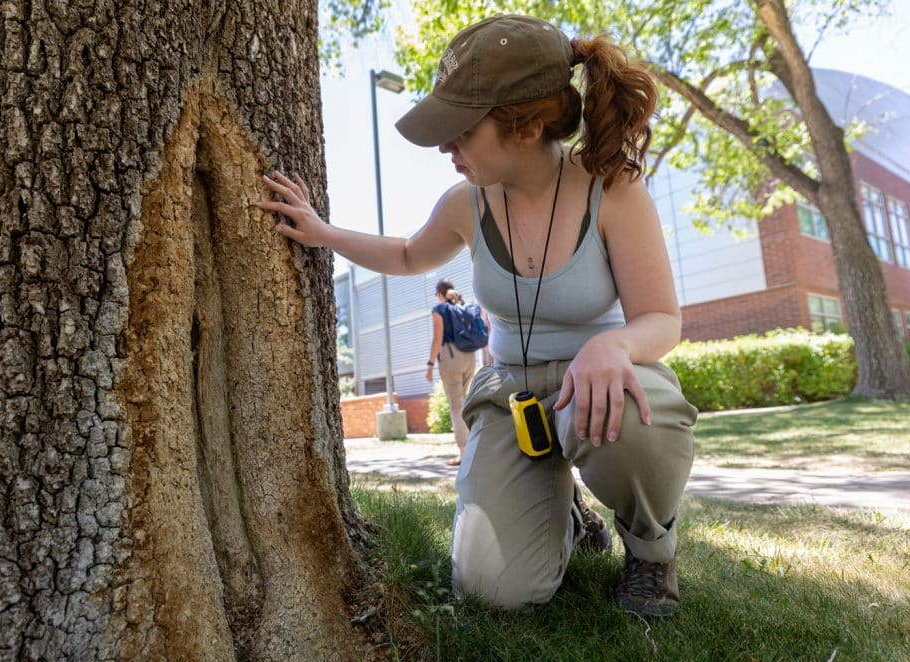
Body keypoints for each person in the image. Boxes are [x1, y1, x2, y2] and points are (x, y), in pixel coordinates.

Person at [256, 14, 697, 617]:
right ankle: (563, 515)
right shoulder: (464, 204)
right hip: (510, 395)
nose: (446, 147)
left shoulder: (613, 189)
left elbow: (662, 321)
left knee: (635, 420)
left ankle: (650, 553)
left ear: (527, 124)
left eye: (462, 128)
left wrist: (614, 347)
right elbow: (410, 254)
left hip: (597, 385)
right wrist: (323, 232)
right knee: (492, 590)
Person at [426, 279, 491, 467]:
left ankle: (464, 454)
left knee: (456, 406)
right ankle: (475, 446)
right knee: (466, 402)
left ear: (439, 294)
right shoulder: (463, 307)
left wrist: (430, 364)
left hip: (451, 356)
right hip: (469, 357)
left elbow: (437, 338)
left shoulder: (440, 310)